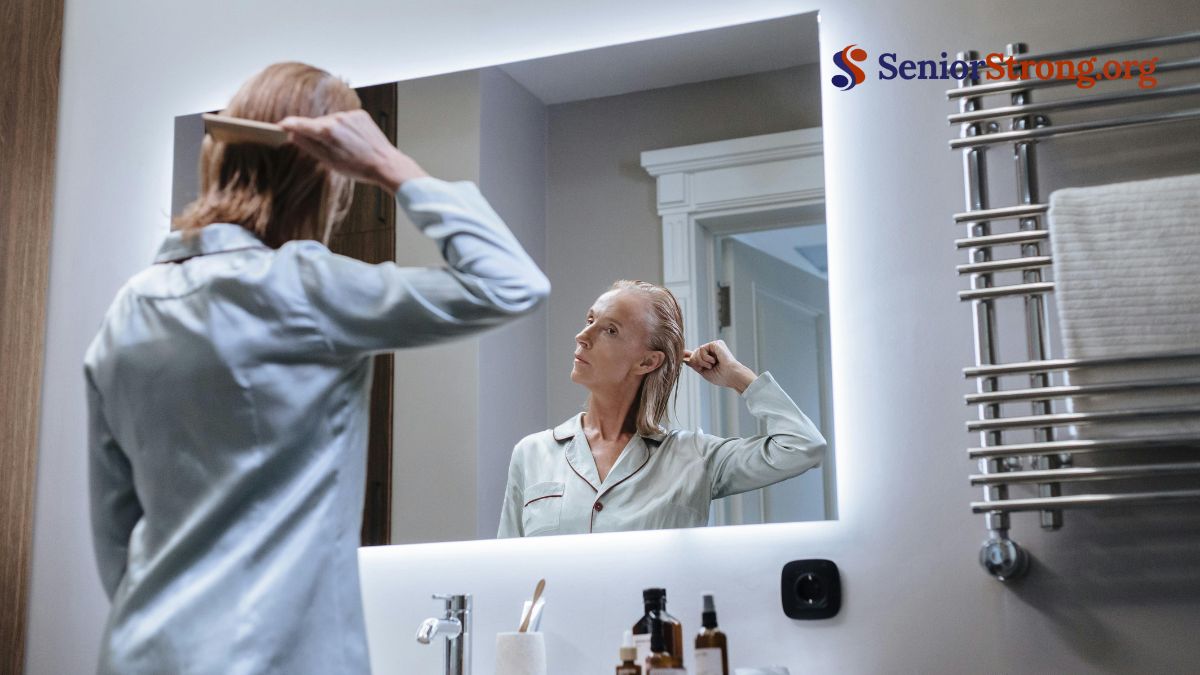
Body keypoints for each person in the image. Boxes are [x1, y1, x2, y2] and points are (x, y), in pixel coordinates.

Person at [85, 62, 549, 674]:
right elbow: (511, 283)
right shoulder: (304, 289)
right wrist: (392, 165)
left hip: (140, 651)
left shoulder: (130, 306)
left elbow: (116, 541)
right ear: (327, 178)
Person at [497, 280, 825, 538]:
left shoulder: (695, 459)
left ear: (648, 361)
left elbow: (803, 446)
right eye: (590, 320)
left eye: (610, 330)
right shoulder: (532, 453)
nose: (583, 336)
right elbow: (507, 569)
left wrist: (739, 377)